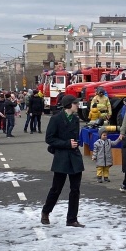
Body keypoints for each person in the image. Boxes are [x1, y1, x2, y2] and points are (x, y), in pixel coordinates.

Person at [41, 95, 86, 227]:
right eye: (76, 103)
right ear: (69, 105)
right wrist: (67, 143)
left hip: (75, 157)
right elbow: (49, 138)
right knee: (56, 188)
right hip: (61, 157)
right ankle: (46, 212)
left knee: (75, 189)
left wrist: (74, 144)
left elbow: (75, 138)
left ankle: (72, 219)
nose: (78, 105)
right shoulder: (56, 119)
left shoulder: (76, 119)